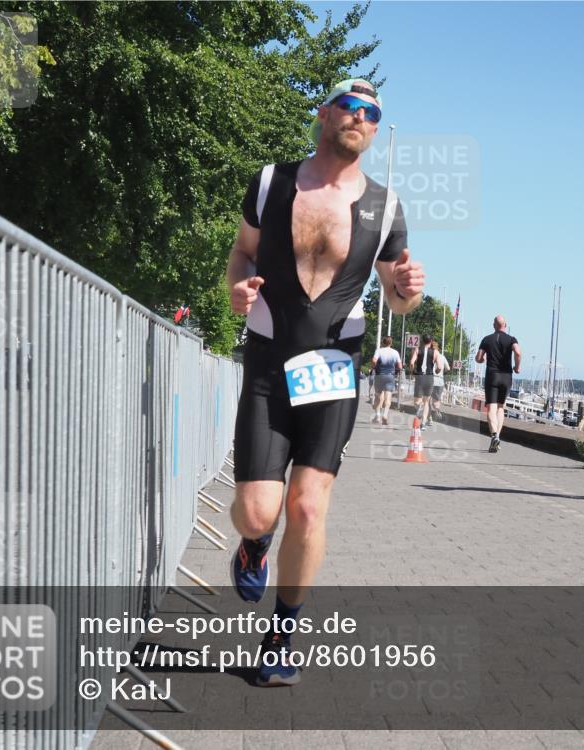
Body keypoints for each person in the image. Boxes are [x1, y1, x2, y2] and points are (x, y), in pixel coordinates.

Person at [225, 78, 425, 686]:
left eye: (373, 113)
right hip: (268, 358)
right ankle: (254, 546)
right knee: (259, 513)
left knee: (308, 506)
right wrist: (237, 289)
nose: (361, 118)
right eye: (350, 107)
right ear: (325, 113)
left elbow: (397, 294)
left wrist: (409, 293)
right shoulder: (272, 182)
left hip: (333, 368)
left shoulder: (386, 206)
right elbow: (242, 253)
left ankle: (282, 636)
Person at [475, 315, 521, 452]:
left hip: (492, 376)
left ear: (494, 325)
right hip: (506, 376)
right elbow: (518, 352)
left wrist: (482, 361)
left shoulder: (487, 339)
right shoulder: (512, 339)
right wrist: (517, 367)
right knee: (501, 407)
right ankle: (497, 437)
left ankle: (494, 435)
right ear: (505, 325)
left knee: (491, 409)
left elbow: (478, 358)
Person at [371, 335, 402, 425]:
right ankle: (385, 414)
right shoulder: (395, 352)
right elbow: (400, 366)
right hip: (390, 376)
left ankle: (377, 416)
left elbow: (374, 360)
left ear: (382, 342)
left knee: (378, 396)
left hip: (379, 376)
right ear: (391, 343)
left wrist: (373, 366)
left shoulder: (379, 351)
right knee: (388, 397)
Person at [409, 334, 438, 427]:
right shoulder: (435, 352)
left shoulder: (418, 349)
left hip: (420, 376)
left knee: (417, 402)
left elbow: (412, 362)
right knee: (426, 401)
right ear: (431, 341)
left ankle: (419, 409)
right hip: (429, 377)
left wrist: (412, 371)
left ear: (422, 341)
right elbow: (440, 366)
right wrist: (438, 370)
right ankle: (424, 422)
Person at [430, 340, 450, 423]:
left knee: (428, 398)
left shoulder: (429, 356)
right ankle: (437, 410)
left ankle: (429, 416)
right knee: (437, 399)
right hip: (440, 380)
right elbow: (448, 368)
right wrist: (443, 373)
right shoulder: (442, 356)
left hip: (430, 379)